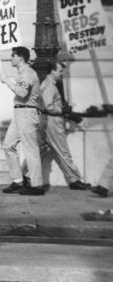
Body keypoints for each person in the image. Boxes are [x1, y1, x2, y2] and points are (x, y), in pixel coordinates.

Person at [38, 61, 90, 190]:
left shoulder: (48, 84)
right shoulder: (49, 86)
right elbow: (48, 106)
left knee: (40, 151)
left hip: (47, 121)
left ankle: (25, 175)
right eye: (60, 71)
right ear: (53, 71)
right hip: (53, 121)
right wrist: (62, 111)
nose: (61, 74)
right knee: (63, 151)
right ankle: (74, 179)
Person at [0, 46, 44, 195]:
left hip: (27, 112)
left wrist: (7, 81)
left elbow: (23, 93)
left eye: (13, 56)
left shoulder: (28, 73)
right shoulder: (22, 73)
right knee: (8, 145)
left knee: (30, 149)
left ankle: (37, 185)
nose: (10, 59)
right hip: (19, 112)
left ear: (20, 58)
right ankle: (18, 181)